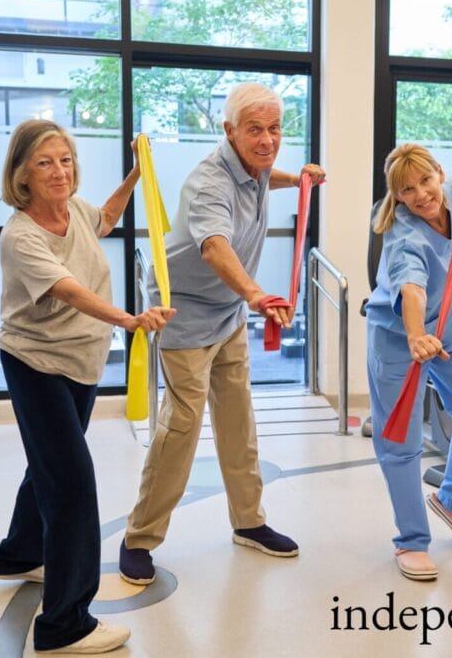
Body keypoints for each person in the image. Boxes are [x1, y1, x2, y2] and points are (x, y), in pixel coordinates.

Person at [118, 83, 325, 585]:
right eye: (255, 129)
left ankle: (249, 522)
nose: (267, 139)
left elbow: (260, 177)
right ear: (229, 130)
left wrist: (296, 179)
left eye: (275, 128)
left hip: (227, 312)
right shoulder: (210, 181)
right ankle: (139, 537)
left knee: (238, 420)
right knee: (182, 428)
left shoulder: (251, 170)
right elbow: (214, 247)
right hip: (185, 314)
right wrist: (257, 295)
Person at [0, 119, 175, 654]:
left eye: (65, 160)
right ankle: (65, 624)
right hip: (36, 363)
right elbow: (67, 290)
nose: (58, 171)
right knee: (71, 482)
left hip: (80, 363)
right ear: (22, 173)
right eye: (45, 162)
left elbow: (108, 217)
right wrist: (130, 319)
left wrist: (137, 176)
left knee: (50, 466)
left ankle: (20, 555)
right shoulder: (21, 234)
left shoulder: (75, 212)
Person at [363, 143, 452, 581]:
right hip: (398, 338)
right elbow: (412, 292)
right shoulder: (405, 237)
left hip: (449, 326)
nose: (422, 194)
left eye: (426, 180)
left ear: (440, 173)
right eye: (408, 190)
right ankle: (411, 542)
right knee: (400, 441)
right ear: (397, 197)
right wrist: (415, 335)